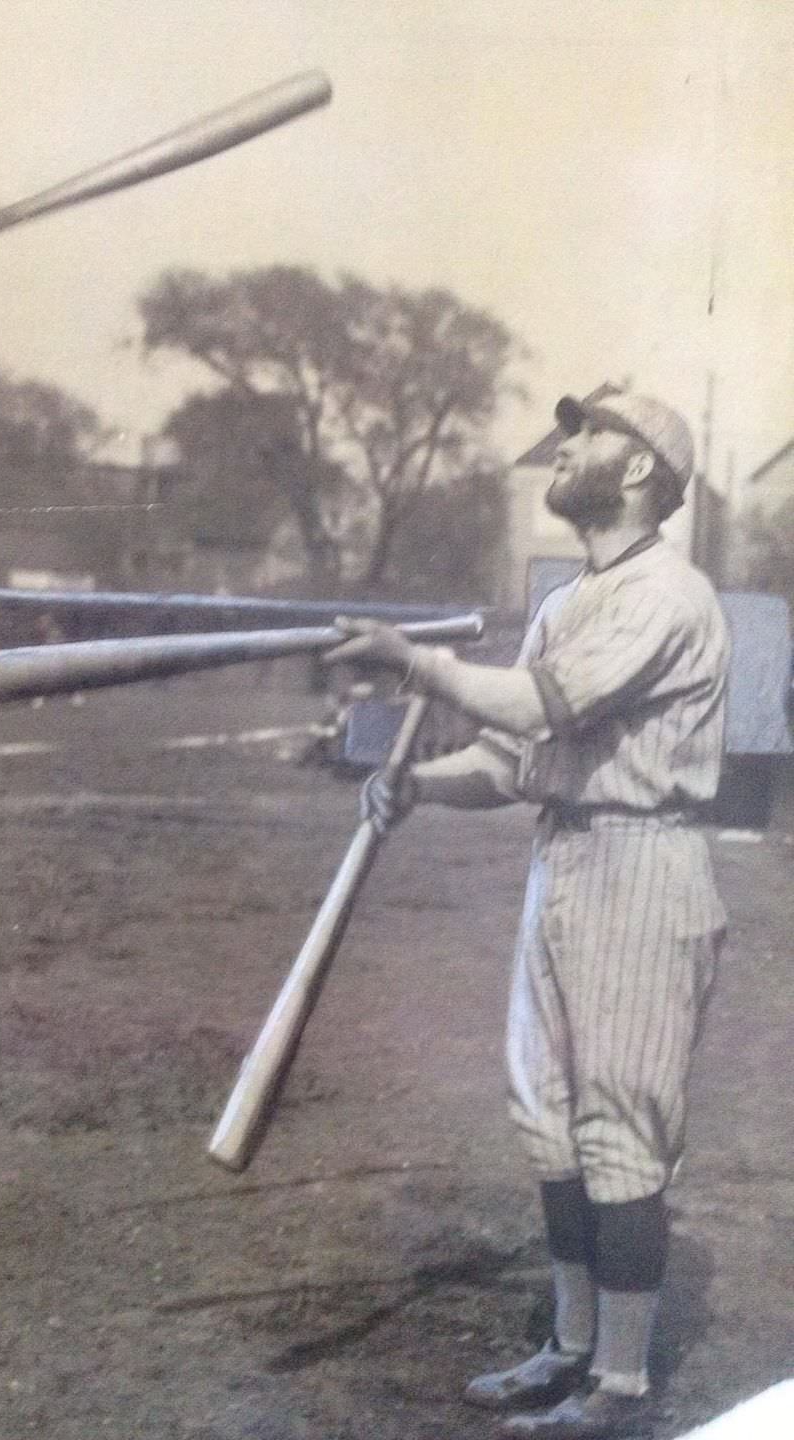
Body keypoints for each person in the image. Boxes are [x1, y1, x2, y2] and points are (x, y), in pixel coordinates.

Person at [328, 391, 730, 1439]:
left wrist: (415, 660)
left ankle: (622, 1386)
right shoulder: (566, 601)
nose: (570, 446)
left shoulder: (669, 595)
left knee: (620, 1135)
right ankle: (567, 1345)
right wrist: (414, 781)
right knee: (549, 1122)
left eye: (593, 433)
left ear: (641, 470)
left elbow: (532, 705)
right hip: (565, 859)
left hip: (646, 868)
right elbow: (511, 762)